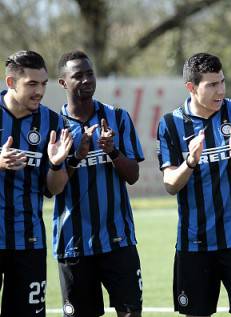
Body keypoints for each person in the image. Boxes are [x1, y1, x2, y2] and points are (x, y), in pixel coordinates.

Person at [157, 52, 231, 317]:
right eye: (212, 85)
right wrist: (190, 162)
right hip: (194, 243)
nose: (221, 90)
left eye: (222, 82)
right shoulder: (170, 124)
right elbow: (170, 184)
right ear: (191, 87)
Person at [54, 50, 144, 317]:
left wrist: (113, 152)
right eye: (77, 76)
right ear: (63, 83)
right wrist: (75, 157)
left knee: (131, 313)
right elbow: (51, 188)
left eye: (89, 74)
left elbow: (133, 176)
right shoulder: (53, 126)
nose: (86, 80)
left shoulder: (118, 118)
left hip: (119, 240)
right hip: (73, 243)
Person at [0, 50, 72, 316]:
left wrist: (55, 163)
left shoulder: (53, 123)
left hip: (29, 241)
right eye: (31, 84)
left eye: (43, 83)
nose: (39, 91)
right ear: (10, 82)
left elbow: (54, 188)